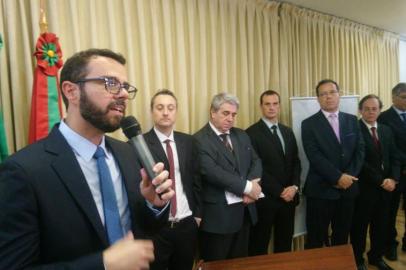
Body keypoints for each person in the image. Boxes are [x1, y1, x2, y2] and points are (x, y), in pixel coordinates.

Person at [0, 48, 174, 270]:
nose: (122, 94)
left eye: (125, 87)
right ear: (71, 91)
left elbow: (143, 228)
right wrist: (103, 264)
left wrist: (153, 205)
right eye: (110, 83)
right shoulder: (22, 171)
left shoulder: (128, 153)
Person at [194, 92, 262, 261]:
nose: (230, 119)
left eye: (233, 114)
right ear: (213, 112)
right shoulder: (199, 140)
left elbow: (256, 161)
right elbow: (213, 173)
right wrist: (248, 188)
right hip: (218, 219)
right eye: (226, 113)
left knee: (240, 264)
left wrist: (253, 185)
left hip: (244, 213)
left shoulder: (241, 135)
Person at [301, 79, 364, 249]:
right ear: (318, 98)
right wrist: (337, 177)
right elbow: (314, 156)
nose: (328, 97)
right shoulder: (308, 124)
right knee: (315, 239)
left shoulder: (352, 120)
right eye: (323, 94)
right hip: (320, 190)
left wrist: (348, 178)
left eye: (332, 92)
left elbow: (360, 152)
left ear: (339, 94)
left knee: (342, 238)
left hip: (348, 190)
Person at [143, 89, 202, 270]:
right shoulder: (139, 145)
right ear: (152, 111)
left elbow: (196, 179)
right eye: (160, 108)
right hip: (157, 228)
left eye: (171, 107)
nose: (166, 112)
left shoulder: (189, 141)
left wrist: (197, 215)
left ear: (176, 111)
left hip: (186, 223)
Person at [246, 90, 301, 255]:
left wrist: (294, 187)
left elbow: (295, 162)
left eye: (275, 103)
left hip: (289, 199)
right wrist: (280, 191)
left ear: (279, 106)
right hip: (265, 200)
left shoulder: (287, 131)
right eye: (267, 104)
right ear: (261, 106)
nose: (272, 107)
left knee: (284, 244)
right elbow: (256, 168)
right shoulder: (251, 133)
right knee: (259, 245)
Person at [350, 94, 398, 270]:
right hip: (364, 189)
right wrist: (381, 180)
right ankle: (358, 260)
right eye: (367, 109)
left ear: (380, 110)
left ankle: (375, 257)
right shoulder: (353, 129)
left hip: (387, 188)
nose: (371, 112)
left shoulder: (386, 130)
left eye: (374, 108)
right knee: (359, 227)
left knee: (381, 225)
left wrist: (394, 178)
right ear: (360, 110)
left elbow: (395, 156)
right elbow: (359, 162)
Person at [378, 83, 406, 261]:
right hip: (395, 174)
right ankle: (390, 244)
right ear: (393, 98)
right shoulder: (383, 118)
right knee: (390, 212)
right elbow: (387, 149)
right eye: (404, 97)